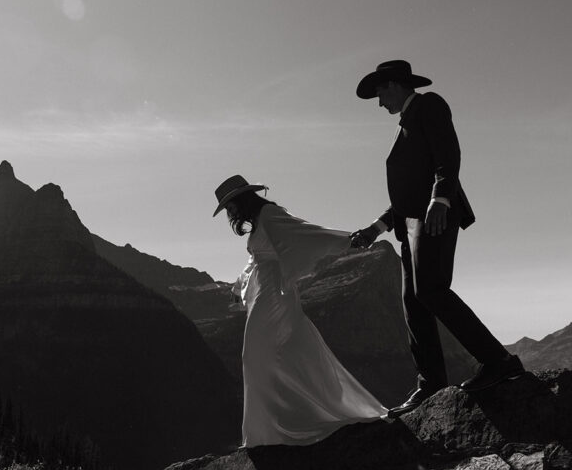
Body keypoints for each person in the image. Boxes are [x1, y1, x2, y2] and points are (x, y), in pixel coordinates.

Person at [351, 59, 524, 417]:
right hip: (411, 224)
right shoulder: (406, 124)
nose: (380, 103)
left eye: (380, 93)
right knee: (414, 302)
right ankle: (431, 384)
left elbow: (448, 155)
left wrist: (440, 199)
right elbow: (407, 190)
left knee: (431, 290)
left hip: (433, 217)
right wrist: (377, 228)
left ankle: (499, 360)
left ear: (395, 85)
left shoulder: (429, 105)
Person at [213, 174, 388, 446]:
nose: (229, 212)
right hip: (266, 291)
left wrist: (347, 241)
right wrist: (239, 285)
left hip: (272, 296)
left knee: (257, 356)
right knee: (271, 357)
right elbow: (256, 257)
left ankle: (269, 433)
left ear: (239, 200)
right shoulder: (261, 219)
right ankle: (275, 429)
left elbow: (307, 235)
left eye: (229, 205)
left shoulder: (269, 214)